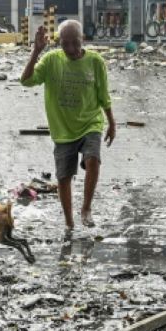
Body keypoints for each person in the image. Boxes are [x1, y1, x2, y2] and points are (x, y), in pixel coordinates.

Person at [21, 20, 116, 233]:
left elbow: (103, 95)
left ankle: (86, 209)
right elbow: (26, 81)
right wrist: (36, 51)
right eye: (65, 44)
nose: (71, 49)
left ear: (83, 40)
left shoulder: (95, 62)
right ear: (59, 43)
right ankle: (69, 223)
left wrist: (111, 122)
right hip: (62, 130)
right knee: (64, 178)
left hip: (91, 122)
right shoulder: (51, 60)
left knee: (93, 160)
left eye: (76, 43)